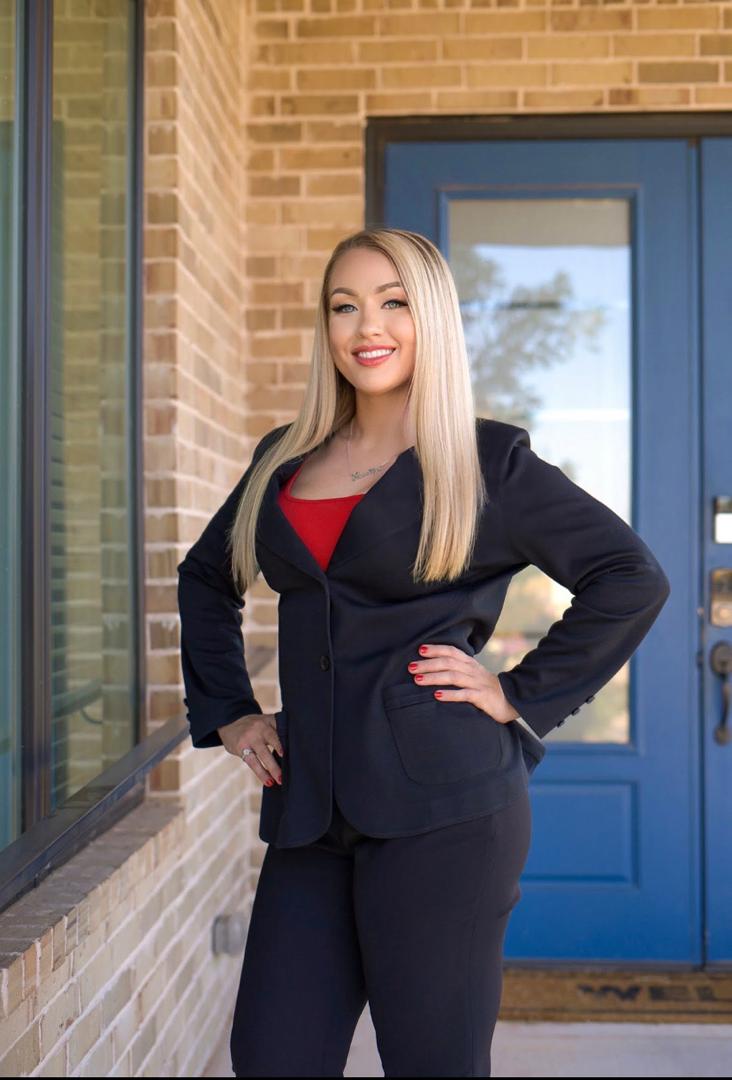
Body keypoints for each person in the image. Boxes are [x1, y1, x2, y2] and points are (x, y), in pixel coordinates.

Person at [176, 227, 670, 1077]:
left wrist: (520, 692)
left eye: (393, 302)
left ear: (430, 318)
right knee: (272, 1054)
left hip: (447, 812)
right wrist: (230, 711)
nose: (367, 326)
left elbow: (631, 577)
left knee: (431, 1062)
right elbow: (205, 579)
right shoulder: (283, 460)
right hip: (311, 808)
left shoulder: (486, 462)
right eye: (345, 306)